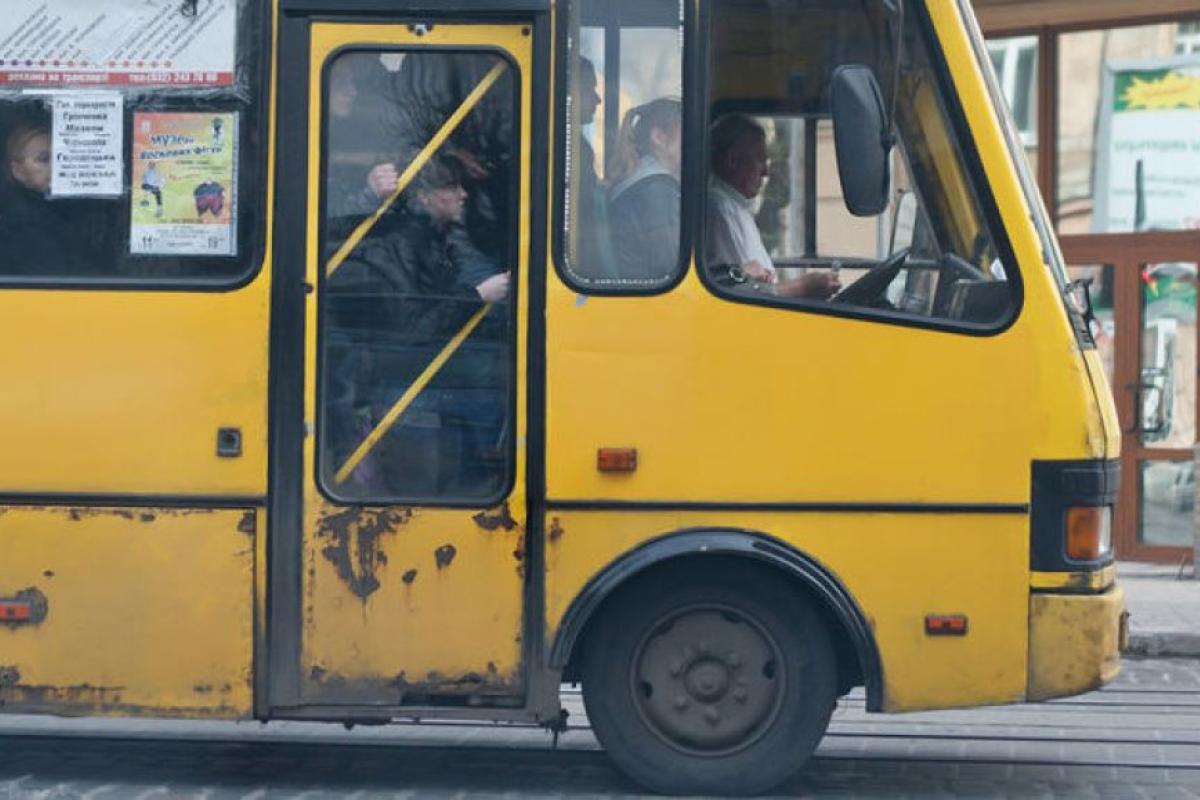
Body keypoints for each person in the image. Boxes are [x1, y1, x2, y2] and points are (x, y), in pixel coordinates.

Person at [326, 157, 510, 497]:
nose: (463, 195)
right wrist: (479, 295)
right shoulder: (403, 245)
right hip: (411, 391)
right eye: (451, 187)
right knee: (424, 489)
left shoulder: (435, 239)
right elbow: (412, 328)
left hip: (429, 382)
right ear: (423, 197)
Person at [707, 114, 840, 299]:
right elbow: (738, 290)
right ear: (733, 159)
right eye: (760, 159)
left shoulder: (735, 206)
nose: (765, 172)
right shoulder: (718, 210)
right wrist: (802, 287)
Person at [0, 122, 102, 275]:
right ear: (18, 171)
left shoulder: (71, 208)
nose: (57, 166)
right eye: (44, 159)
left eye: (61, 157)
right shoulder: (18, 221)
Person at [606, 98, 682, 281]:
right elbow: (671, 265)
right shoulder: (656, 190)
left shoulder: (644, 182)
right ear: (658, 138)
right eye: (687, 136)